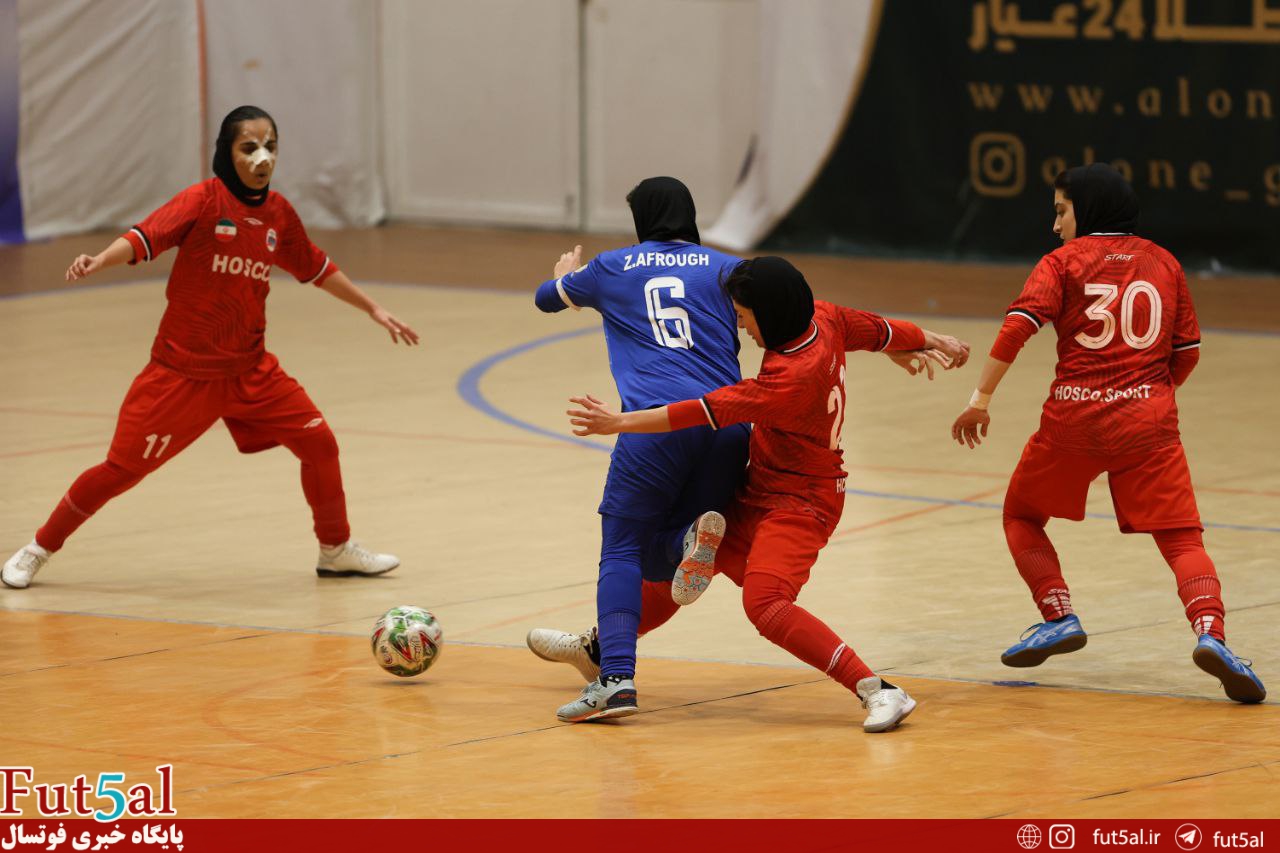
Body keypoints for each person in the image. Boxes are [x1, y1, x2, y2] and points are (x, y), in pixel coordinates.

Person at [2, 105, 417, 589]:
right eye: (250, 148)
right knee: (120, 470)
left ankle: (335, 549)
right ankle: (38, 548)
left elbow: (315, 267)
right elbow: (144, 238)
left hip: (251, 371)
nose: (263, 158)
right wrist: (100, 260)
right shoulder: (202, 201)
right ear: (227, 152)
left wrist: (373, 309)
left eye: (271, 147)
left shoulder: (278, 214)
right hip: (181, 375)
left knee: (320, 445)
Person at [565, 256, 969, 732]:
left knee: (766, 604)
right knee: (690, 565)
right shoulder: (822, 317)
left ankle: (880, 690)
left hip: (803, 503)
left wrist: (619, 422)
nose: (742, 325)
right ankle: (600, 648)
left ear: (770, 313)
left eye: (744, 315)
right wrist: (927, 339)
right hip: (762, 486)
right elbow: (878, 329)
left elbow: (698, 411)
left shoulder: (788, 379)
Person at [950, 163, 1265, 703]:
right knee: (1182, 537)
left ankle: (1058, 616)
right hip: (1149, 422)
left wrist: (979, 400)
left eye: (1060, 211)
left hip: (1073, 419)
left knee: (1022, 515)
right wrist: (1149, 396)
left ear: (1086, 210)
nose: (1055, 225)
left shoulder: (1062, 262)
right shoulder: (1164, 263)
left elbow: (1018, 325)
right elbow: (1186, 353)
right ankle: (1211, 633)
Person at [530, 177, 753, 723]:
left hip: (656, 424)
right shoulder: (726, 268)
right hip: (729, 426)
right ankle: (685, 541)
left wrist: (566, 280)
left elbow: (544, 301)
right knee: (660, 554)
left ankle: (616, 680)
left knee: (622, 548)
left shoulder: (611, 267)